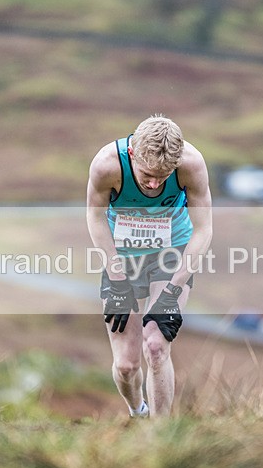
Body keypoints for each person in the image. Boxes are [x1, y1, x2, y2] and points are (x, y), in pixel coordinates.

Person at [86, 115, 212, 417]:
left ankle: (160, 432)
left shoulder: (191, 164)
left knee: (156, 347)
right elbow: (95, 218)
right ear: (132, 154)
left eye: (163, 176)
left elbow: (203, 230)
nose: (155, 183)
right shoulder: (107, 164)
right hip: (123, 257)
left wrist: (172, 291)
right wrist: (116, 280)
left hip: (170, 255)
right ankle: (138, 411)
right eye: (147, 175)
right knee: (126, 365)